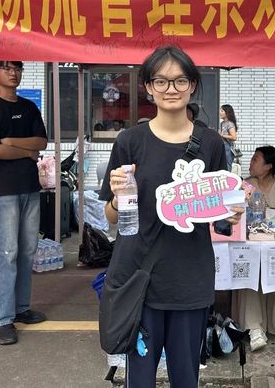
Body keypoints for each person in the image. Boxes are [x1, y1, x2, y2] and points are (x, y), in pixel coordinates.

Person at [99, 45, 242, 388]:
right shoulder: (130, 141)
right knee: (140, 380)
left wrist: (232, 214)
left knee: (186, 379)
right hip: (140, 281)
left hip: (189, 280)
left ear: (192, 85)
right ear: (149, 87)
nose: (170, 89)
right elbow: (111, 216)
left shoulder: (211, 143)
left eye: (179, 81)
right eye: (161, 81)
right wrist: (117, 198)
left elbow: (219, 216)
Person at [0, 60, 49, 346]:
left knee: (27, 251)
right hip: (2, 190)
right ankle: (2, 320)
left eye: (17, 68)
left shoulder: (29, 107)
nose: (13, 73)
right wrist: (25, 151)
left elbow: (41, 143)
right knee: (6, 253)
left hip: (29, 187)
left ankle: (21, 308)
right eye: (6, 68)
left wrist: (10, 142)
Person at [233, 145, 275, 354]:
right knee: (249, 277)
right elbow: (234, 212)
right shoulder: (244, 185)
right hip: (252, 244)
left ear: (269, 166)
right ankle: (254, 328)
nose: (251, 162)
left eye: (256, 159)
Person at [219, 104, 238, 171]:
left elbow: (234, 137)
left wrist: (222, 135)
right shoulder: (222, 123)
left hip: (227, 148)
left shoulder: (230, 123)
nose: (220, 112)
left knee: (227, 167)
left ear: (227, 112)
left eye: (222, 111)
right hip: (222, 147)